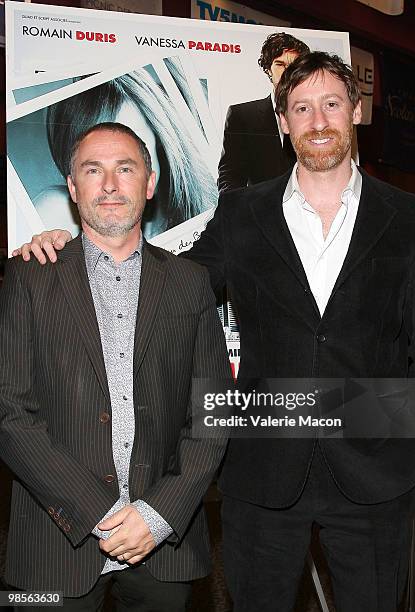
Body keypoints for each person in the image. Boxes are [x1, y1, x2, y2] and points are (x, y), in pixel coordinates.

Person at [13, 52, 415, 611]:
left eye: (332, 105)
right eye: (302, 108)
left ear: (356, 111)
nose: (318, 121)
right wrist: (68, 249)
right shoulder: (242, 211)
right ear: (282, 121)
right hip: (262, 472)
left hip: (376, 474)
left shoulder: (409, 216)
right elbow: (169, 283)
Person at [1, 122, 231, 611]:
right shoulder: (28, 277)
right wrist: (99, 512)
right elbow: (10, 414)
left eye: (125, 169)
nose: (109, 185)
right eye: (93, 169)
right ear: (72, 186)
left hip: (164, 545)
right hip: (54, 547)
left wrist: (157, 515)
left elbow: (211, 414)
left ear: (149, 184)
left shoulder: (191, 283)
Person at [29, 66, 217, 239]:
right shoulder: (57, 211)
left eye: (130, 153)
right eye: (93, 167)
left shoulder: (207, 212)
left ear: (158, 137)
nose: (110, 185)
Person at [217, 32, 309, 193]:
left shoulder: (316, 117)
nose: (287, 72)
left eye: (294, 66)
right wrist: (237, 213)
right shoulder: (242, 115)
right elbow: (230, 176)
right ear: (268, 69)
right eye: (280, 64)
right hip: (258, 212)